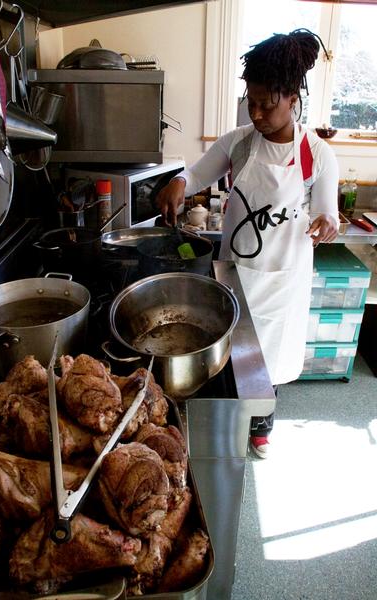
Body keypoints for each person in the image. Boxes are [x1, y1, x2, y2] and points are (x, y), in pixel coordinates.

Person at [156, 29, 339, 458]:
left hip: (282, 279)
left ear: (293, 98)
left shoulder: (315, 154)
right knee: (227, 356)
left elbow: (327, 210)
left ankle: (261, 427)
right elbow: (196, 174)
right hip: (235, 272)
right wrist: (178, 182)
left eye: (267, 104)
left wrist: (327, 220)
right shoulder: (239, 143)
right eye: (250, 103)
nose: (256, 113)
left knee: (268, 365)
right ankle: (223, 422)